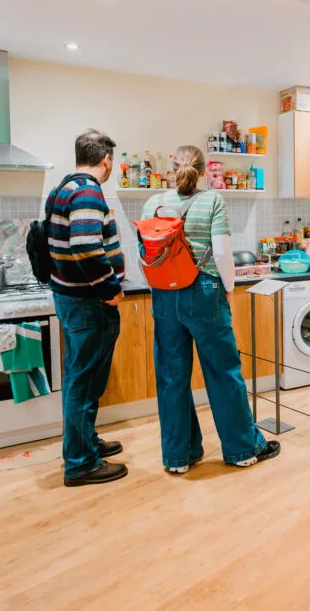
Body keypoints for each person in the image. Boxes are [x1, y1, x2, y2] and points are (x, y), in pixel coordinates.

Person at [142, 145, 278, 474]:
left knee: (171, 376)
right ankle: (243, 449)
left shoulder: (152, 203)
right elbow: (220, 253)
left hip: (163, 294)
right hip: (204, 289)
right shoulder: (212, 200)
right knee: (222, 371)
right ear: (203, 170)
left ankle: (179, 457)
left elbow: (143, 255)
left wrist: (163, 286)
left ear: (171, 169)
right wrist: (228, 289)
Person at [47, 130, 128, 487]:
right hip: (88, 302)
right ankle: (80, 463)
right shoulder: (88, 191)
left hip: (70, 298)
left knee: (83, 378)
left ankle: (85, 442)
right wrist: (110, 287)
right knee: (83, 380)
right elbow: (86, 247)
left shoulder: (61, 188)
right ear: (106, 159)